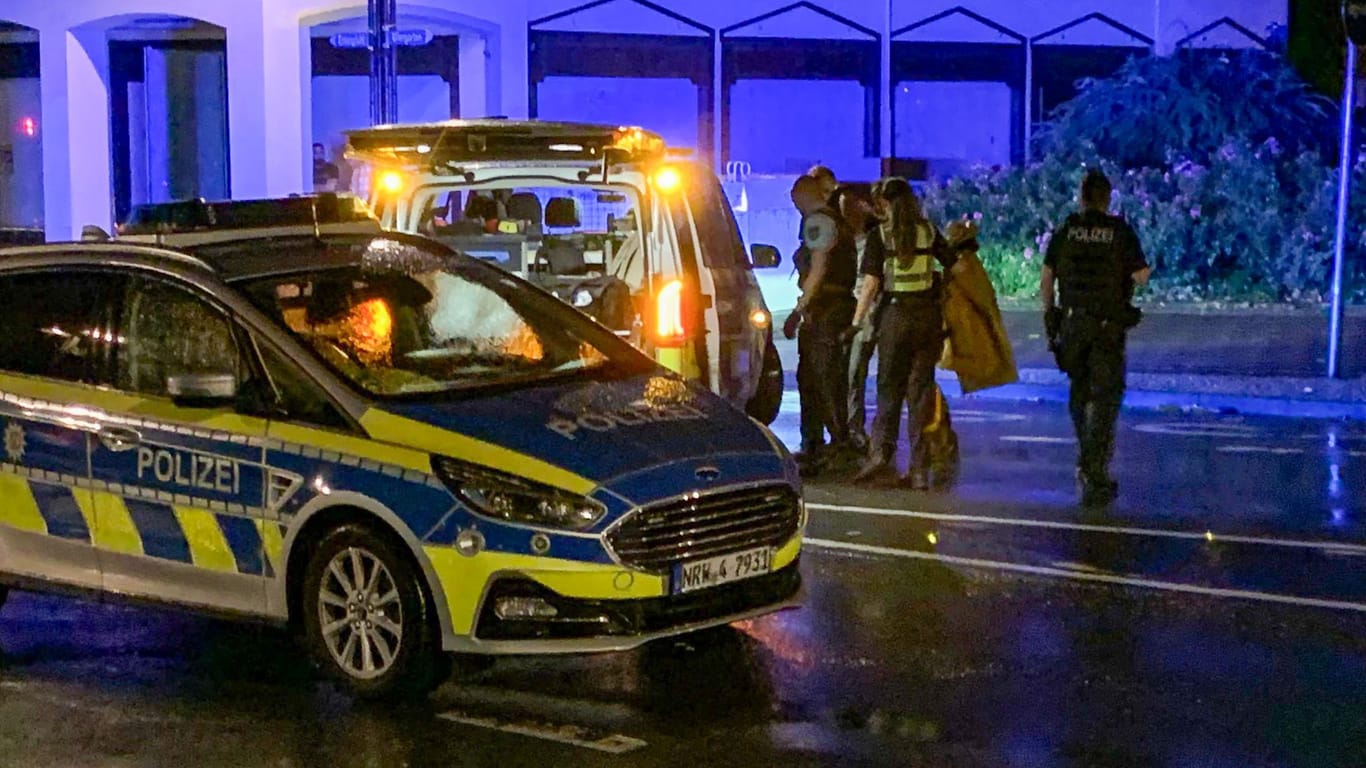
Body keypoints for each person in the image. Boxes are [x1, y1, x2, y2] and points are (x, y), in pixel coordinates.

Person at [1041, 169, 1151, 507]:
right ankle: (1094, 468)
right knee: (1105, 400)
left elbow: (1046, 280)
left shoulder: (1066, 230)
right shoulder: (1119, 231)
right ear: (1107, 198)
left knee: (1079, 391)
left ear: (1081, 197)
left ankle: (1087, 458)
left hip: (1073, 324)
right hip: (1106, 327)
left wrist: (1051, 318)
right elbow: (1141, 276)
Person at [848, 184, 958, 489]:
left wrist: (857, 323)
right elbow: (953, 264)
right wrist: (941, 293)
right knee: (919, 393)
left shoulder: (880, 235)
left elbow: (870, 284)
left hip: (896, 319)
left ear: (888, 203)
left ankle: (880, 458)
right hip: (927, 318)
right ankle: (919, 469)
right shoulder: (929, 231)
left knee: (888, 390)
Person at [782, 174, 859, 476]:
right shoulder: (835, 220)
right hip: (829, 309)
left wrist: (798, 310)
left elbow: (818, 269)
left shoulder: (819, 221)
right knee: (810, 377)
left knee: (825, 380)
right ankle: (813, 444)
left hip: (827, 310)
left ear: (801, 196)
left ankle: (839, 445)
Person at [839, 182, 883, 452]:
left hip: (868, 314)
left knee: (855, 372)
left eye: (851, 206)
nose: (846, 212)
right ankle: (850, 429)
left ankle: (855, 430)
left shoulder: (873, 239)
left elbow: (870, 283)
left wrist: (857, 321)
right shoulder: (843, 239)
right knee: (850, 373)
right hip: (851, 311)